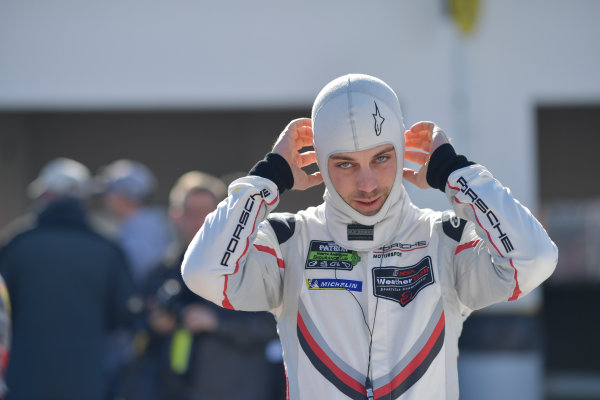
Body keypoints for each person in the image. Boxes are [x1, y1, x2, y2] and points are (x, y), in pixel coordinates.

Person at [181, 74, 558, 399]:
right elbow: (204, 272)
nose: (366, 183)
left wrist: (457, 175)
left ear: (401, 149)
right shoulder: (289, 239)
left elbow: (534, 259)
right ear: (321, 161)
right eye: (345, 163)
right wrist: (266, 180)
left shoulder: (444, 238)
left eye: (381, 158)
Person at [128, 171, 280, 400]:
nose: (198, 221)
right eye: (190, 213)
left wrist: (216, 322)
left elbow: (272, 325)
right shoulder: (164, 270)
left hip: (236, 390)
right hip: (173, 391)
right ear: (175, 216)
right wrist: (155, 324)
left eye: (205, 214)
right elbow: (133, 322)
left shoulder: (250, 267)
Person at [0, 158, 134, 400]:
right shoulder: (107, 248)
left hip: (24, 381)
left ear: (46, 195)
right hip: (88, 381)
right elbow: (124, 315)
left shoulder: (16, 245)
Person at [97, 159, 174, 287]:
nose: (107, 197)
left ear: (125, 195)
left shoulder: (144, 229)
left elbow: (143, 279)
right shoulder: (138, 223)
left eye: (111, 191)